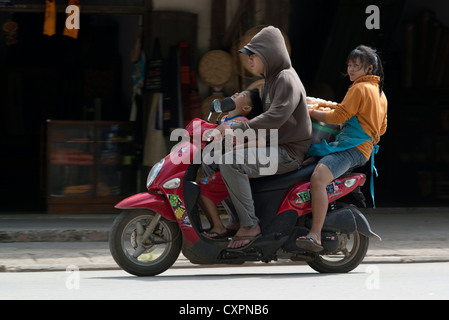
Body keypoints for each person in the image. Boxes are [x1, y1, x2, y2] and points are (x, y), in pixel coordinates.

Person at [215, 26, 312, 249]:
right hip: (275, 146)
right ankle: (238, 218)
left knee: (231, 162)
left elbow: (275, 117)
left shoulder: (285, 78)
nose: (249, 59)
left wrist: (237, 130)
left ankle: (250, 225)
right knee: (216, 159)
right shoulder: (271, 79)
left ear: (269, 54)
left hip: (287, 152)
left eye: (253, 54)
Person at [296, 45, 388, 252]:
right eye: (349, 65)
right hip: (363, 149)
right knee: (308, 165)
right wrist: (318, 104)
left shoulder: (359, 88)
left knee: (318, 178)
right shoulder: (380, 94)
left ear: (369, 69)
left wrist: (311, 113)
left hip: (352, 149)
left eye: (356, 66)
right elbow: (381, 128)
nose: (351, 70)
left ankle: (315, 234)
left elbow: (339, 116)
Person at [199, 88, 263, 239]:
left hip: (234, 169)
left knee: (202, 190)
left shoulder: (243, 122)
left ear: (246, 108)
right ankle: (233, 221)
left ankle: (218, 227)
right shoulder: (224, 119)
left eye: (242, 95)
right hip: (221, 166)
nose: (236, 93)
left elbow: (258, 142)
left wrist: (235, 149)